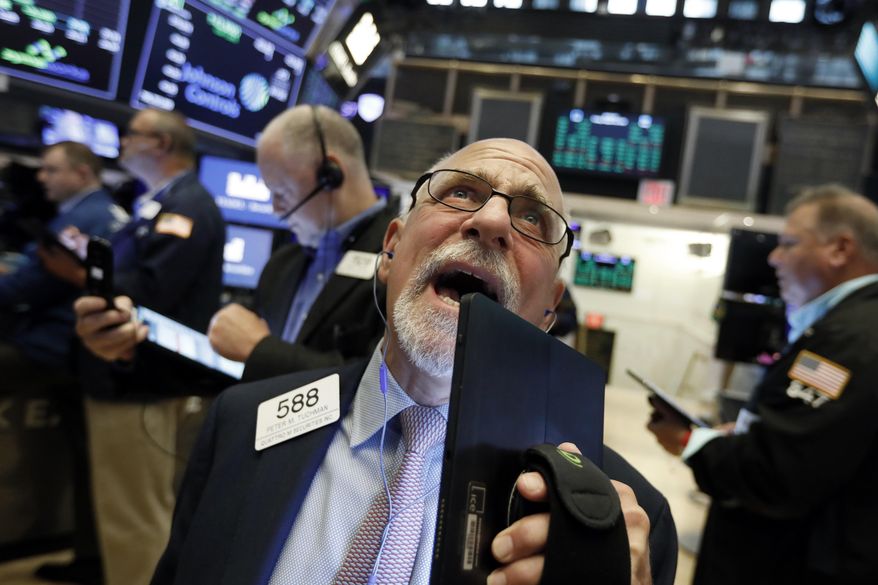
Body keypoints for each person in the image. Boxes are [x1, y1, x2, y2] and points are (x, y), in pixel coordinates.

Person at [146, 138, 677, 585]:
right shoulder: (243, 422)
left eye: (532, 217)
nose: (492, 219)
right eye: (461, 192)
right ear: (391, 250)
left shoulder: (618, 525)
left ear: (548, 311)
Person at [647, 185, 878, 585]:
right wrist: (748, 434)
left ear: (840, 249)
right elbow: (820, 444)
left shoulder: (848, 339)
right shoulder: (851, 327)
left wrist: (691, 441)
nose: (774, 258)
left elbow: (776, 474)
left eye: (789, 244)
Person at [62, 109, 225, 585]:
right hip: (134, 375)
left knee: (133, 520)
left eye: (130, 134)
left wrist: (85, 276)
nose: (122, 141)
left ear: (160, 144)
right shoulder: (159, 202)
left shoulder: (186, 205)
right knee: (141, 514)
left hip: (139, 378)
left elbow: (153, 290)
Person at [0, 141, 126, 585]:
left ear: (81, 173)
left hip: (53, 348)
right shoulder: (108, 213)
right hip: (77, 351)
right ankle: (89, 556)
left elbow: (29, 285)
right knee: (87, 459)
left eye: (51, 169)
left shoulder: (82, 218)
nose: (42, 177)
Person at [207, 105, 396, 381]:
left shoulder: (399, 262)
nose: (276, 210)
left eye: (281, 193)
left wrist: (262, 350)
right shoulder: (280, 265)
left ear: (330, 175)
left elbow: (379, 383)